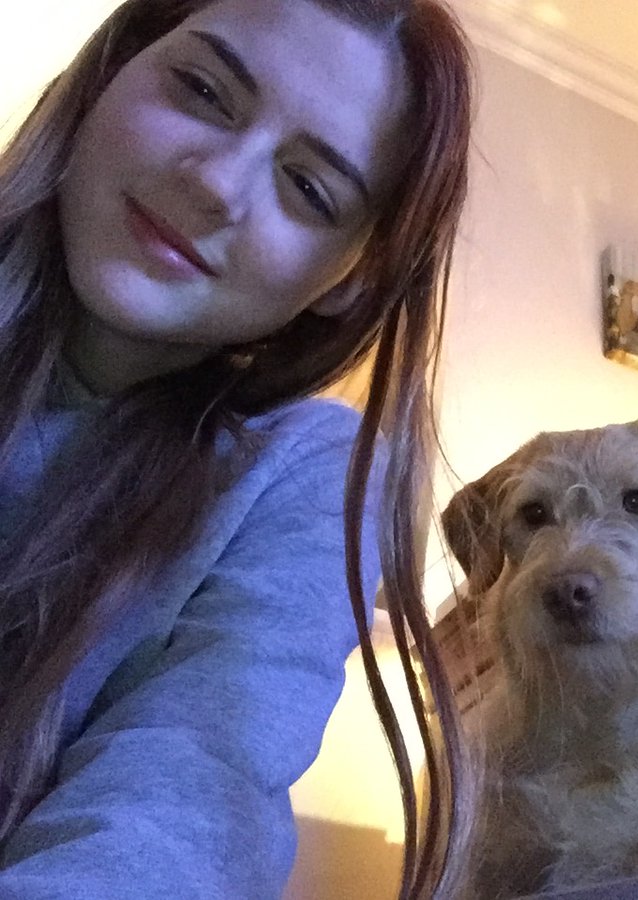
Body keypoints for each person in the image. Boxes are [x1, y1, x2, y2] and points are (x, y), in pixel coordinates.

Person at [0, 1, 472, 897]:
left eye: (310, 190)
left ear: (351, 280)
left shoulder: (306, 474)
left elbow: (192, 787)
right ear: (114, 67)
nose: (218, 184)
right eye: (202, 90)